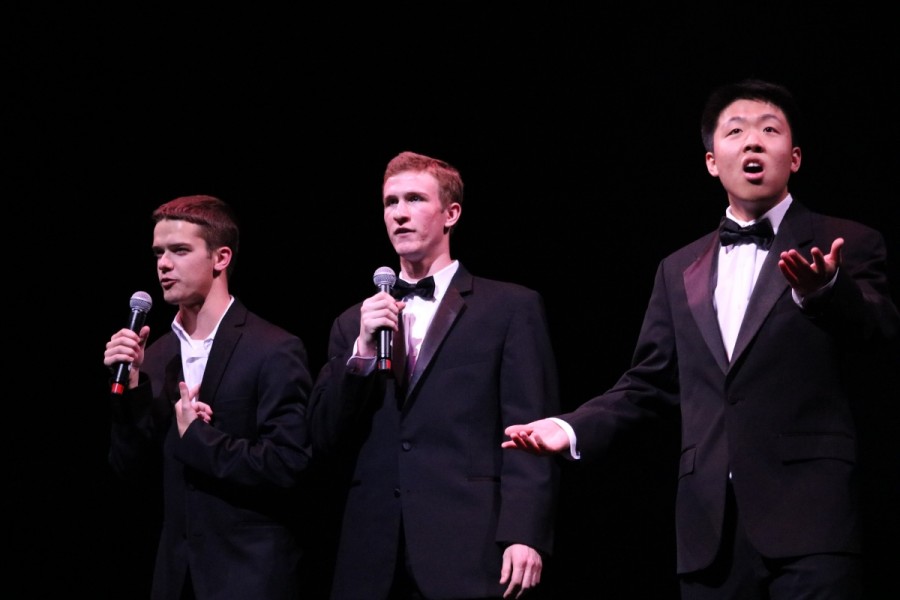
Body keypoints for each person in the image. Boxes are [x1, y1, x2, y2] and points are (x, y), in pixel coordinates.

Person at [502, 79, 900, 599]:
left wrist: (826, 289)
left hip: (812, 522)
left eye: (769, 131)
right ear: (713, 160)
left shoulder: (847, 242)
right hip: (708, 529)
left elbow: (880, 334)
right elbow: (647, 384)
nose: (753, 142)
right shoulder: (678, 269)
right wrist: (568, 428)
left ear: (795, 157)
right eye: (735, 132)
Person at [308, 151, 560, 599]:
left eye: (414, 200)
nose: (399, 214)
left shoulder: (509, 308)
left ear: (451, 214)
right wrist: (362, 353)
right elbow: (325, 437)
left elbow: (529, 430)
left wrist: (525, 531)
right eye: (390, 203)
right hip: (372, 553)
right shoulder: (353, 323)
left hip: (469, 544)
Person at [103, 194, 313, 600]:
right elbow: (130, 472)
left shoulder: (272, 348)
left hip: (250, 575)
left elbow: (289, 464)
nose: (164, 264)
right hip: (175, 577)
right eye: (158, 252)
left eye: (180, 250)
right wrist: (130, 392)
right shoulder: (156, 355)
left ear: (221, 258)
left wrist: (199, 438)